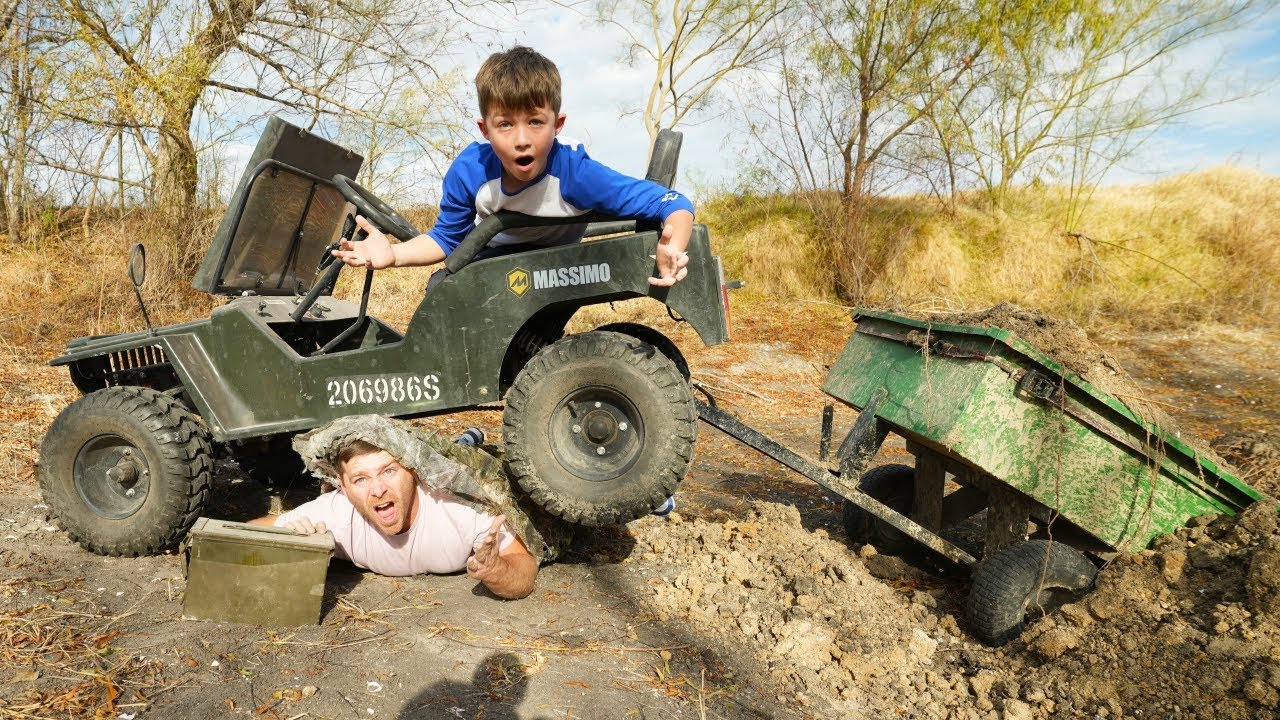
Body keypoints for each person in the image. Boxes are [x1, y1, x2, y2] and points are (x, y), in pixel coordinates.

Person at [330, 45, 695, 288]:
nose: (522, 139)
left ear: (558, 124)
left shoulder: (576, 172)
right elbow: (446, 238)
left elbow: (672, 203)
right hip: (498, 254)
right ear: (484, 129)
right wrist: (393, 255)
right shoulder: (470, 172)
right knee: (443, 287)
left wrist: (673, 246)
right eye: (505, 124)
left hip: (558, 263)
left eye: (535, 122)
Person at [249, 417, 558, 600]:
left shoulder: (460, 509)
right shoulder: (335, 515)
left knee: (464, 450)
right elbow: (246, 534)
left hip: (457, 470)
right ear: (342, 487)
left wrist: (496, 571)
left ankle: (471, 437)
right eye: (360, 479)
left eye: (388, 471)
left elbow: (523, 571)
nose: (378, 489)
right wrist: (288, 543)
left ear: (413, 471)